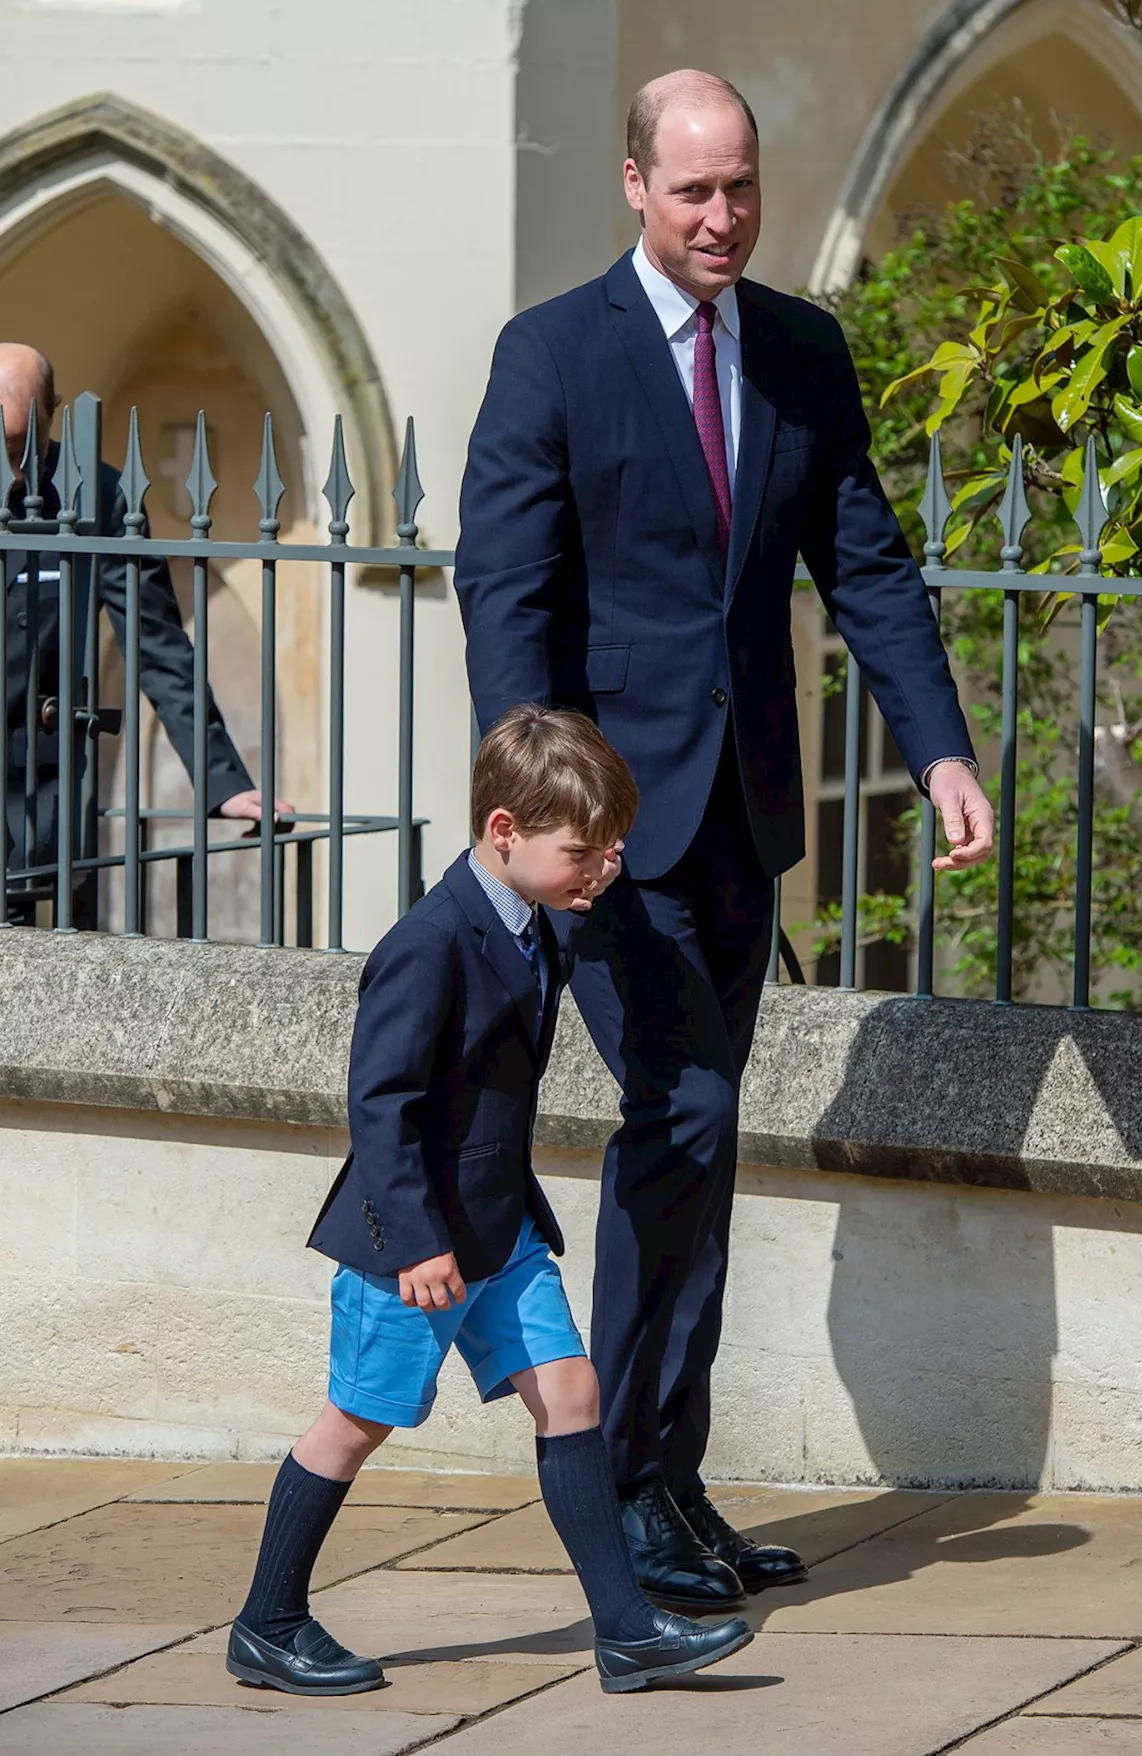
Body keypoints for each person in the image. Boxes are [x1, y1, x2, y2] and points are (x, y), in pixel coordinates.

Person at [454, 70, 996, 1608]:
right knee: (680, 1121)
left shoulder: (805, 352)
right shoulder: (554, 352)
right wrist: (547, 806)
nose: (722, 217)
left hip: (745, 813)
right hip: (609, 828)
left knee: (699, 1145)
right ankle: (624, 1484)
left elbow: (869, 566)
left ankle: (667, 1484)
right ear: (634, 186)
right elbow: (508, 593)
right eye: (692, 191)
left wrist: (940, 749)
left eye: (740, 186)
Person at [227, 705, 753, 1698]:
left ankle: (627, 1630)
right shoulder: (429, 941)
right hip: (415, 1243)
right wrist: (417, 1241)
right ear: (504, 830)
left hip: (498, 1230)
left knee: (571, 1394)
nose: (602, 869)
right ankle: (269, 1619)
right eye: (582, 852)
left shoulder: (539, 920)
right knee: (354, 1418)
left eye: (610, 851)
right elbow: (380, 1107)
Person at [1, 345, 286, 924]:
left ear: (54, 412)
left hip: (37, 789)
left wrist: (219, 779)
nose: (17, 472)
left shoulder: (97, 496)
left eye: (23, 446)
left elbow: (156, 642)